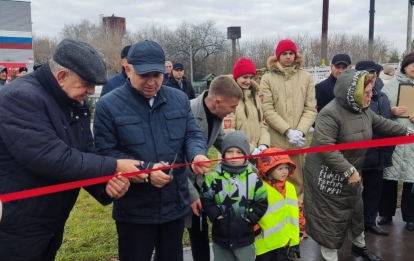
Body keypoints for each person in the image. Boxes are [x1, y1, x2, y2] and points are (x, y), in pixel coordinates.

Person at [0, 39, 141, 261]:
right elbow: (51, 158)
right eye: (86, 83)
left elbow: (85, 150)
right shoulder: (20, 98)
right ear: (62, 76)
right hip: (15, 224)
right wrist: (114, 165)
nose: (92, 91)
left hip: (49, 220)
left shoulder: (71, 102)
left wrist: (107, 185)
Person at [93, 40, 210, 261]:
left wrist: (197, 154)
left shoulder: (179, 99)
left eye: (157, 75)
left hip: (174, 206)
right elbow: (105, 152)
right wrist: (146, 171)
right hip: (134, 211)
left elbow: (192, 134)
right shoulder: (108, 105)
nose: (151, 82)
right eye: (144, 75)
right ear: (128, 69)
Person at [303, 68, 411, 261]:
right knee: (330, 218)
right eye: (367, 92)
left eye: (371, 92)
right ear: (354, 92)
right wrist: (347, 170)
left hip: (351, 172)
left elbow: (383, 124)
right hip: (327, 174)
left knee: (356, 211)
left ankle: (359, 247)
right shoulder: (329, 114)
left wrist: (407, 133)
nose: (371, 96)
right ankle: (329, 256)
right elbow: (326, 148)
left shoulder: (363, 109)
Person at [186, 75, 243, 261]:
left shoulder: (216, 114)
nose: (233, 112)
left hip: (198, 182)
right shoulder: (188, 112)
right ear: (217, 101)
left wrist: (248, 166)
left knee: (200, 233)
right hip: (179, 184)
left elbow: (222, 143)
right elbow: (174, 161)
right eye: (232, 107)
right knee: (169, 239)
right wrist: (192, 194)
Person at [260, 39, 317, 202]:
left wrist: (300, 131)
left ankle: (297, 219)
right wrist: (287, 130)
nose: (288, 57)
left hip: (296, 142)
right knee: (274, 182)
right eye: (284, 54)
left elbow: (310, 108)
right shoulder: (267, 78)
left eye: (291, 53)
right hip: (275, 140)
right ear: (278, 56)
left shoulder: (306, 77)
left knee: (296, 183)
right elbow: (267, 109)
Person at [200, 131, 268, 261]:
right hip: (221, 237)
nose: (234, 156)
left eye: (239, 152)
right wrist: (216, 216)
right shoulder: (214, 177)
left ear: (245, 155)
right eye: (230, 151)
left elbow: (262, 201)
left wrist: (250, 218)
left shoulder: (253, 178)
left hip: (245, 237)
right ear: (223, 153)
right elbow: (206, 198)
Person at [354, 61, 394, 236]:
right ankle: (353, 224)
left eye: (375, 73)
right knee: (353, 192)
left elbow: (387, 123)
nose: (373, 77)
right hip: (359, 153)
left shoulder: (382, 97)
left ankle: (370, 222)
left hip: (379, 153)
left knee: (374, 190)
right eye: (369, 73)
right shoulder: (354, 97)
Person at [378, 52, 414, 232]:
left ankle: (410, 216)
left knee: (412, 179)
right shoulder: (390, 86)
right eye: (413, 66)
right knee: (389, 177)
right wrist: (392, 110)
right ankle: (385, 212)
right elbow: (379, 110)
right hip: (395, 136)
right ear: (405, 66)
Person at [255, 147, 305, 261]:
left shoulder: (290, 187)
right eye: (280, 168)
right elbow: (250, 211)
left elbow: (297, 209)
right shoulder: (259, 189)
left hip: (285, 242)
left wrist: (300, 231)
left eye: (287, 168)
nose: (285, 171)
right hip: (265, 246)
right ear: (268, 169)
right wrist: (254, 229)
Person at [223, 58, 270, 156]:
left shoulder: (256, 97)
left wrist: (263, 144)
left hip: (257, 152)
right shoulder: (228, 97)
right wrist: (250, 149)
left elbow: (262, 123)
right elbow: (228, 131)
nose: (248, 81)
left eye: (251, 77)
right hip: (236, 155)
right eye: (245, 77)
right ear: (236, 77)